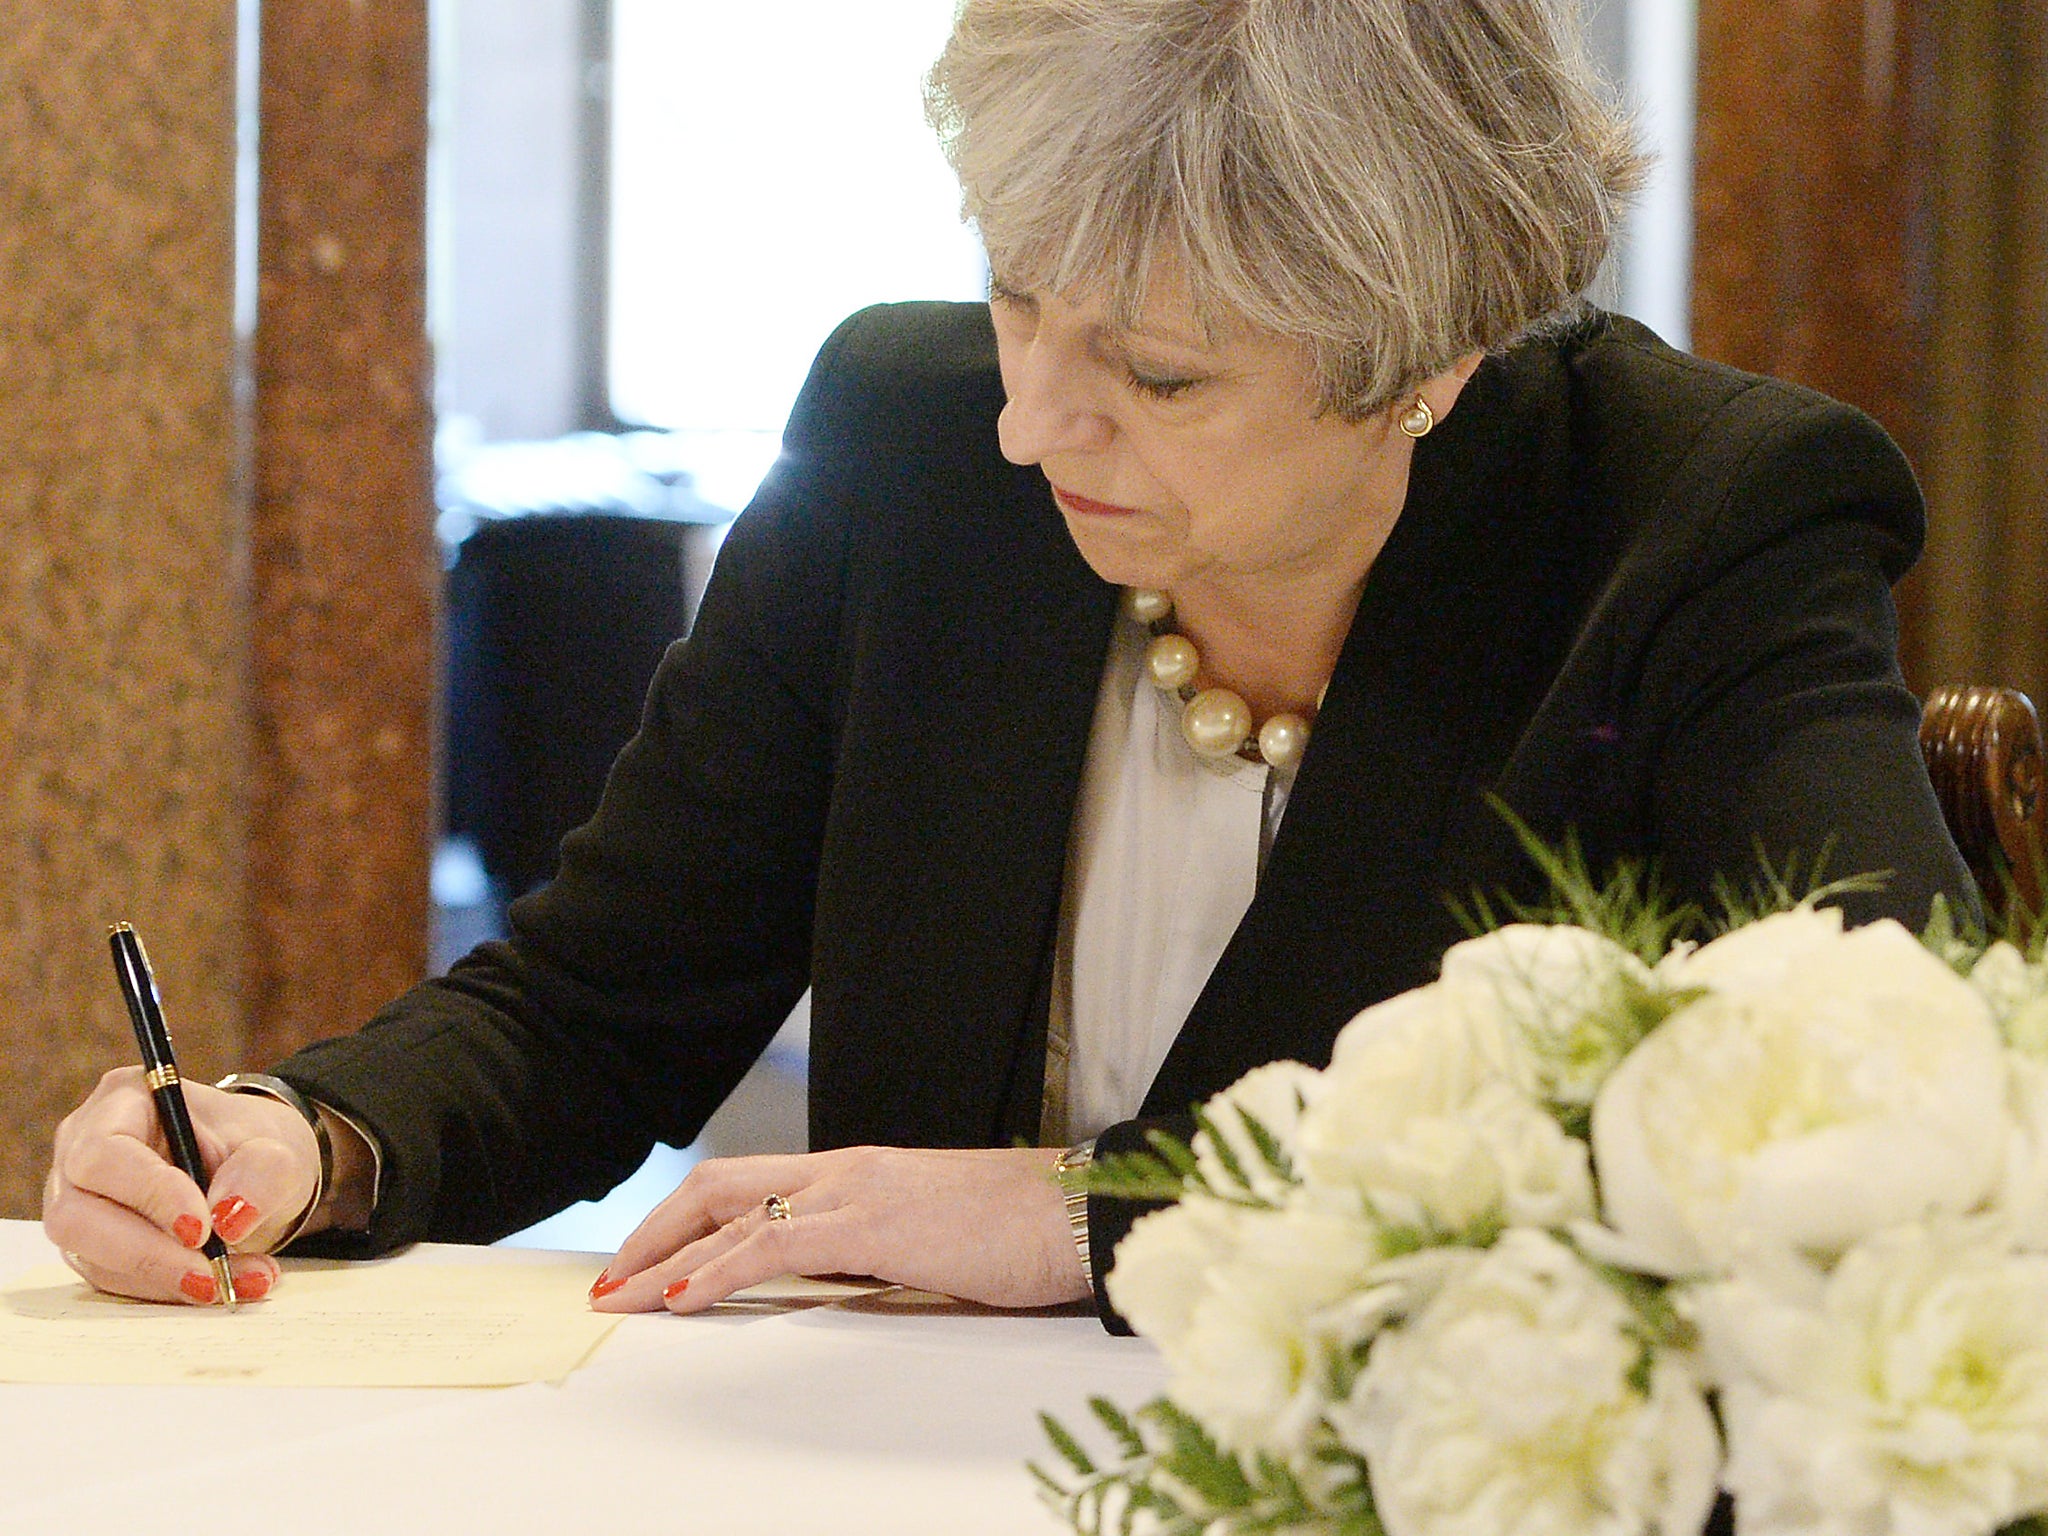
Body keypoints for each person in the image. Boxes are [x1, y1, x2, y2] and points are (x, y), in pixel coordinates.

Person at [43, 0, 1974, 1326]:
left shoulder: (1697, 522)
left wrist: (1100, 1213)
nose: (1031, 424)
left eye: (1156, 371)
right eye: (1017, 294)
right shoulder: (904, 433)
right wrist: (308, 1139)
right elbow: (604, 998)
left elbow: (1890, 1106)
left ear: (1432, 359)